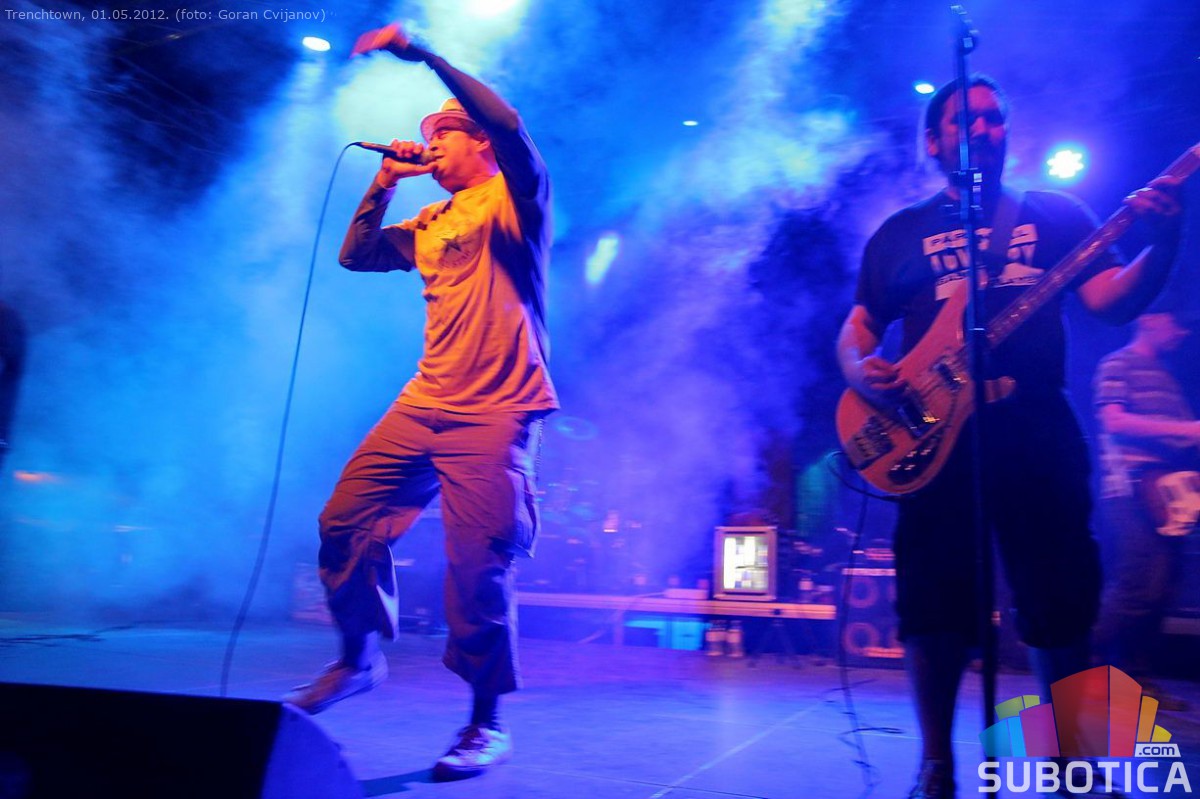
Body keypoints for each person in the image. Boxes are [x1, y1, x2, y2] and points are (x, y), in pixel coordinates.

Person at [835, 74, 1183, 799]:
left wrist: (1165, 240)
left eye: (995, 119)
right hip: (933, 437)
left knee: (1062, 598)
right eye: (966, 120)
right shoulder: (901, 232)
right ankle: (936, 765)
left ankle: (1074, 762)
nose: (984, 130)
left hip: (1035, 427)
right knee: (932, 604)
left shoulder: (1055, 213)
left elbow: (1113, 302)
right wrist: (864, 374)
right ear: (934, 142)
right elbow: (859, 327)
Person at [285, 22, 557, 782]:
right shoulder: (431, 221)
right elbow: (357, 255)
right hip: (425, 398)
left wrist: (426, 56)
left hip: (496, 408)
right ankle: (357, 660)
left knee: (478, 573)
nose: (429, 148)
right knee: (344, 522)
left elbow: (510, 122)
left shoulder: (517, 199)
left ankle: (485, 723)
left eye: (442, 136)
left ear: (479, 145)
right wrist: (384, 182)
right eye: (426, 139)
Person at [1094, 311, 1198, 703]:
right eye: (1177, 323)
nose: (1182, 332)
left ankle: (1135, 680)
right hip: (1130, 489)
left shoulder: (1167, 376)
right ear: (1150, 319)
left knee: (1163, 585)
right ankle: (1085, 667)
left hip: (1168, 495)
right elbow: (1114, 421)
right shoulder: (1118, 363)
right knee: (1138, 583)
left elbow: (1184, 440)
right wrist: (1187, 429)